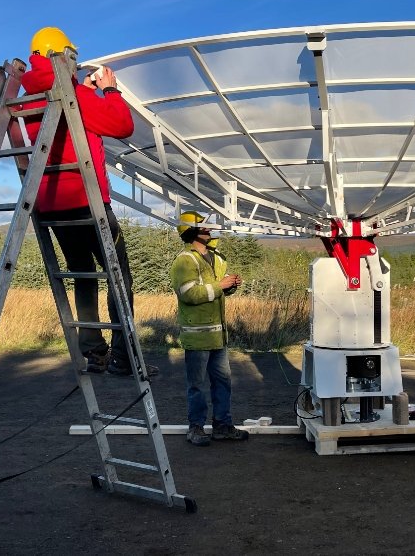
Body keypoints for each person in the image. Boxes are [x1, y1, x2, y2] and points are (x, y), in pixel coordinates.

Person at [13, 26, 157, 377]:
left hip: (50, 206)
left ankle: (94, 353)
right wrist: (108, 90)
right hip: (88, 201)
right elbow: (121, 124)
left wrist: (87, 93)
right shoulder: (72, 92)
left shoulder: (25, 96)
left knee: (83, 274)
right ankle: (125, 356)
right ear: (64, 55)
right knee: (118, 275)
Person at [169, 212, 249, 446]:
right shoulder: (185, 260)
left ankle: (222, 426)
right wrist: (219, 285)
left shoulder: (217, 258)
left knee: (223, 382)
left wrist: (230, 286)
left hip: (218, 336)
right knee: (197, 386)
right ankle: (196, 428)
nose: (210, 229)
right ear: (192, 231)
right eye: (204, 227)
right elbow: (188, 294)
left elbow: (217, 291)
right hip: (198, 338)